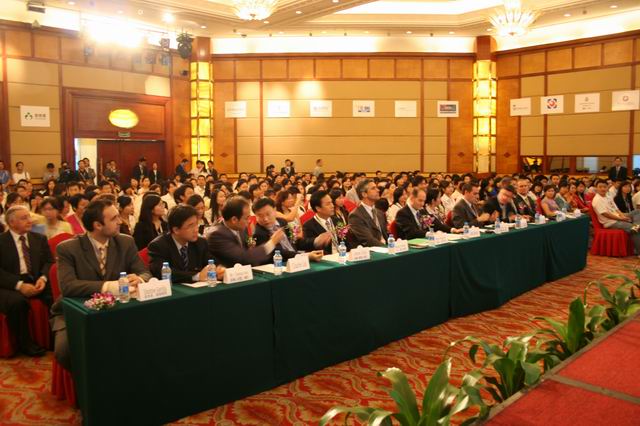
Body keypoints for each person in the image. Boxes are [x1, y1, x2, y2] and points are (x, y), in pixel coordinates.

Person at [52, 199, 151, 370]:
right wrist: (110, 286)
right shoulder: (68, 249)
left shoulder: (125, 242)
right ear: (97, 225)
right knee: (65, 351)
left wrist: (140, 279)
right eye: (113, 218)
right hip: (76, 309)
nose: (120, 221)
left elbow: (145, 272)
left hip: (119, 308)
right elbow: (68, 287)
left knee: (147, 337)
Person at [0, 205, 53, 357]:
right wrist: (19, 286)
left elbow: (49, 262)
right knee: (18, 303)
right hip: (9, 283)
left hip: (36, 279)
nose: (29, 220)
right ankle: (25, 343)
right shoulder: (2, 241)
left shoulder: (39, 238)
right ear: (11, 223)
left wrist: (43, 278)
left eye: (29, 216)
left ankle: (55, 338)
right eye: (24, 218)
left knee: (56, 296)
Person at [148, 205, 224, 284]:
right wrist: (197, 276)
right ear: (176, 230)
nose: (196, 229)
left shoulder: (200, 242)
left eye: (196, 224)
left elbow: (211, 262)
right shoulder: (158, 246)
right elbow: (163, 272)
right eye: (191, 226)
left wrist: (219, 269)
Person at [207, 196, 286, 267]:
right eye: (247, 218)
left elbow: (248, 248)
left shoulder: (239, 227)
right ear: (234, 220)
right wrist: (272, 242)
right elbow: (244, 258)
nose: (249, 221)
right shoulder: (217, 234)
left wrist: (251, 245)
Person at [253, 197, 323, 261]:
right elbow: (278, 253)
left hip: (297, 259)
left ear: (275, 210)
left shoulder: (282, 222)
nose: (265, 219)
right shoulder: (258, 233)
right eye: (260, 216)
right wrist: (304, 256)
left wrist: (315, 241)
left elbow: (294, 241)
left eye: (268, 214)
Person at [592, 179, 640, 254]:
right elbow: (606, 214)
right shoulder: (597, 200)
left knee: (638, 211)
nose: (602, 189)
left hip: (618, 217)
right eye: (600, 187)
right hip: (611, 223)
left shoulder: (608, 196)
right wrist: (621, 219)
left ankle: (636, 224)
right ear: (596, 188)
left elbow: (616, 209)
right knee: (635, 229)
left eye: (604, 187)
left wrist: (622, 216)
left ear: (607, 187)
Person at [348, 179, 388, 247]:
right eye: (373, 188)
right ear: (364, 194)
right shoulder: (355, 216)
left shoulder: (380, 213)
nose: (378, 190)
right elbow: (368, 241)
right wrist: (387, 248)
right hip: (371, 251)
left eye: (376, 187)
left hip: (386, 248)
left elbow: (386, 235)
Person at [302, 190, 342, 254]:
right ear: (318, 208)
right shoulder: (309, 226)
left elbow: (346, 240)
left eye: (331, 202)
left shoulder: (337, 220)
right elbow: (309, 247)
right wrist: (316, 241)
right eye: (328, 204)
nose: (332, 206)